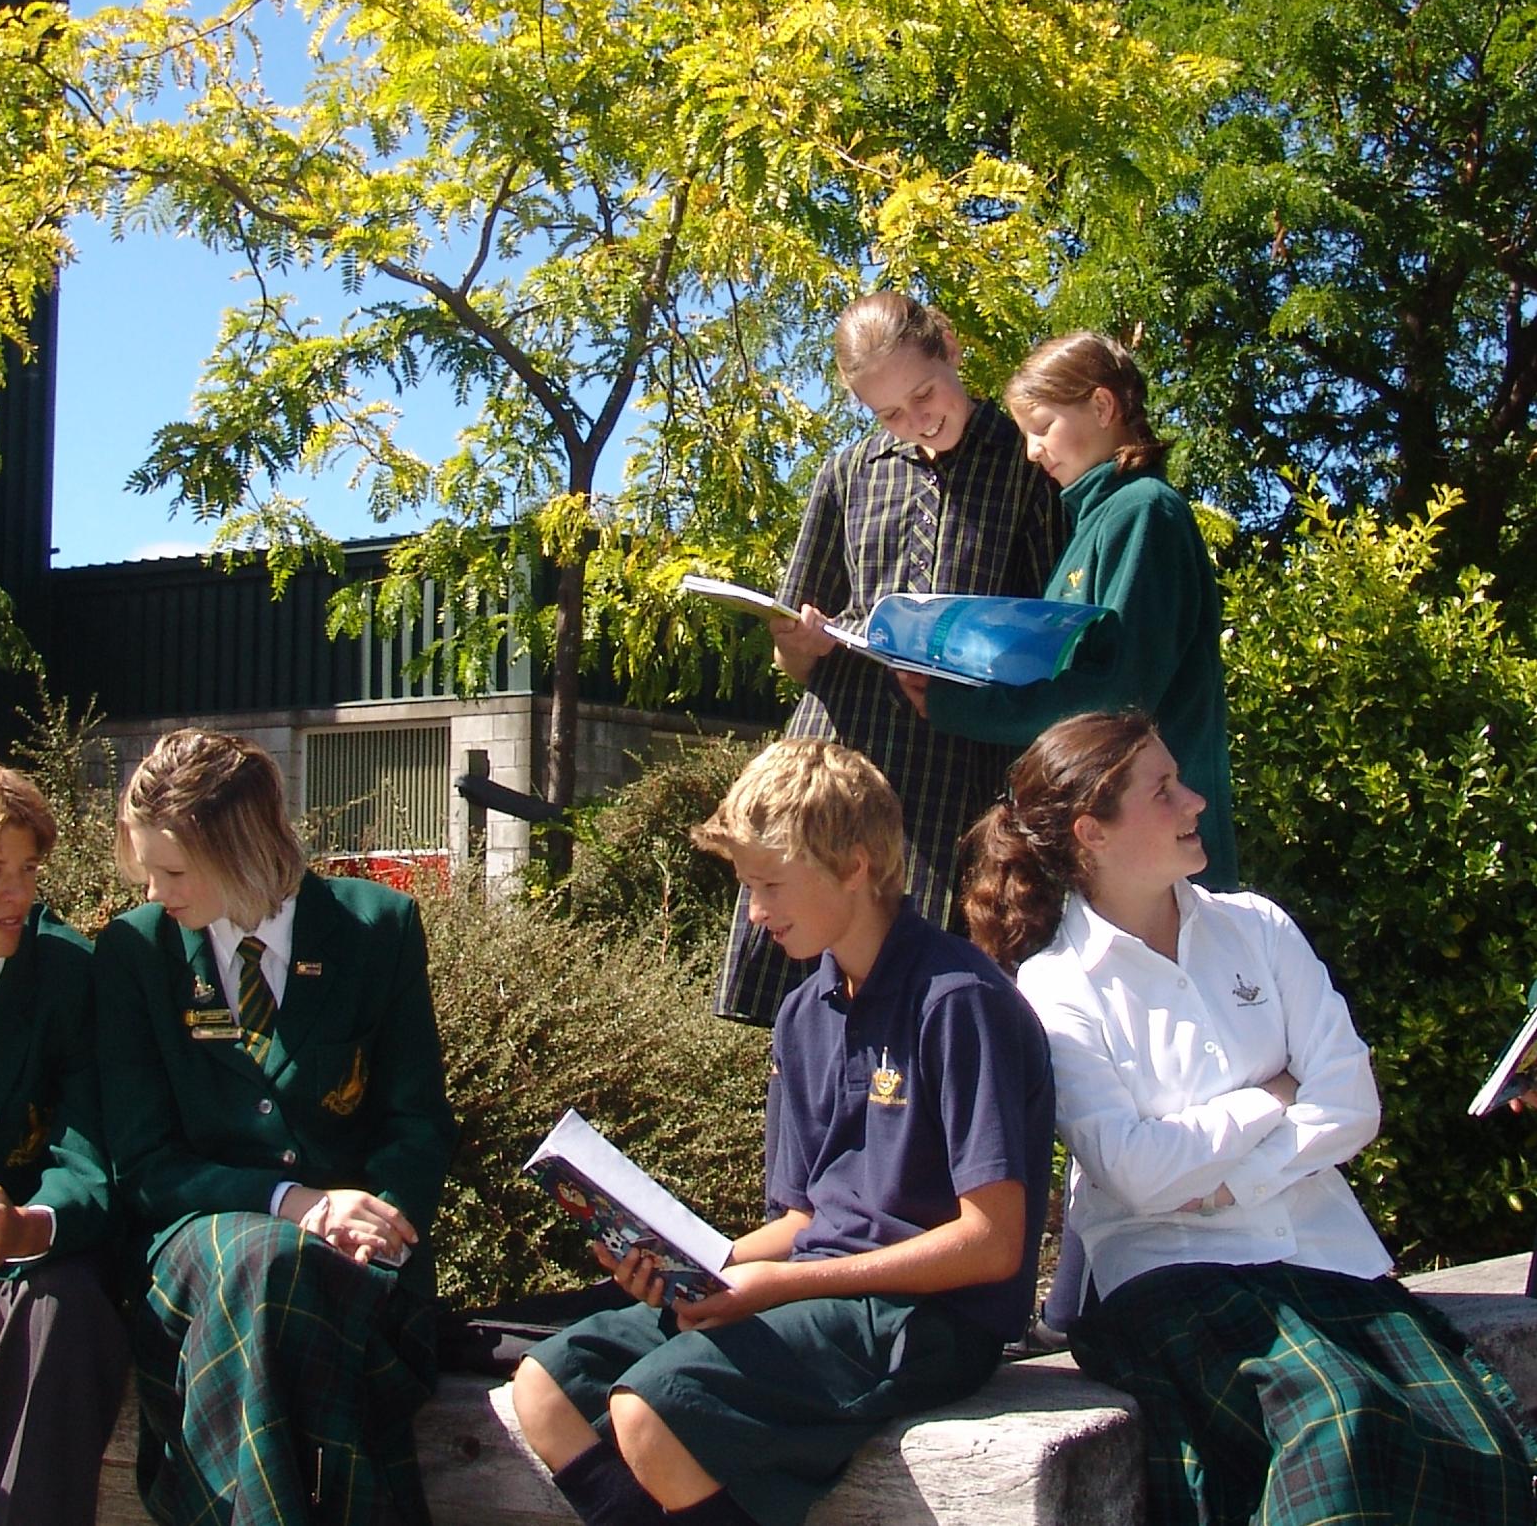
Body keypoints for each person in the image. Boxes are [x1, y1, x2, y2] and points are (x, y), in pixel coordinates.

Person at [964, 709, 1536, 1526]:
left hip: (1331, 1261)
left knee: (1473, 1440)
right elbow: (1136, 1170)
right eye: (1163, 789)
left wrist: (1232, 1180)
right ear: (1092, 832)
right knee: (1339, 1418)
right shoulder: (1059, 986)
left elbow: (1351, 1100)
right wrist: (1267, 1096)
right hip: (1175, 1279)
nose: (1195, 800)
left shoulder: (1259, 928)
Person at [514, 738, 1055, 1526]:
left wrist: (782, 1284)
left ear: (858, 864)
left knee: (654, 1407)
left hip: (928, 1320)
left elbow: (993, 1242)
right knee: (549, 1384)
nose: (756, 912)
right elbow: (803, 1222)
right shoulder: (803, 1014)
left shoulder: (959, 999)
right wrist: (693, 1266)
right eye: (747, 886)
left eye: (769, 884)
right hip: (816, 1294)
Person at [94, 728, 458, 1526]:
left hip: (356, 1266)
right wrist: (295, 1201)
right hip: (198, 1256)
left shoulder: (379, 927)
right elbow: (145, 1164)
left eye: (176, 870)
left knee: (289, 1285)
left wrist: (382, 1229)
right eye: (145, 869)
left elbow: (417, 1120)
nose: (157, 891)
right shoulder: (136, 951)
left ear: (246, 847)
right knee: (265, 1265)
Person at [718, 290, 1060, 1026]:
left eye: (924, 394)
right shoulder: (846, 473)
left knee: (933, 1009)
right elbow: (794, 656)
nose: (915, 422)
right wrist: (799, 642)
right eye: (887, 414)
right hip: (839, 759)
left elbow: (1051, 642)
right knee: (814, 1013)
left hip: (954, 774)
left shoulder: (1027, 467)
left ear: (951, 347)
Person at [907, 330, 1236, 892]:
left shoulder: (1144, 511)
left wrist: (962, 709)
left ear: (1103, 406)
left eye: (1042, 428)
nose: (1033, 452)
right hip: (1110, 844)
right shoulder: (1096, 522)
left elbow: (1115, 701)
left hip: (1157, 848)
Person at [0, 762, 127, 1526]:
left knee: (63, 1310)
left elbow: (91, 1154)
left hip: (33, 1257)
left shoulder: (67, 971)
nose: (18, 894)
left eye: (29, 869)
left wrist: (25, 1226)